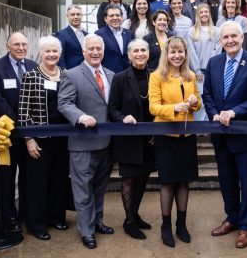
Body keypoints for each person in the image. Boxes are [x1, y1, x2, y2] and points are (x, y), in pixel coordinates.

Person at [202, 22, 247, 249]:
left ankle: (245, 226)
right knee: (226, 181)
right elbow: (208, 94)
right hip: (221, 135)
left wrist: (234, 112)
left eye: (234, 36)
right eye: (225, 37)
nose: (229, 40)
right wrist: (213, 114)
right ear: (220, 41)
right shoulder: (213, 63)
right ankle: (231, 218)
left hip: (245, 135)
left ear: (242, 38)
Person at [58, 34, 115, 249]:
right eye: (90, 49)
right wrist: (80, 117)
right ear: (83, 52)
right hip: (82, 144)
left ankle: (97, 221)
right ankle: (86, 231)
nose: (95, 52)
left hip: (107, 144)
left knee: (100, 189)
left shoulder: (111, 74)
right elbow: (64, 103)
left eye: (98, 49)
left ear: (103, 51)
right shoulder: (71, 75)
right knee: (82, 191)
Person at [149, 36, 201, 248]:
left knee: (184, 181)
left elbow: (198, 102)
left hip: (187, 136)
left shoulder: (190, 76)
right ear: (166, 54)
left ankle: (181, 224)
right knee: (168, 182)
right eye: (173, 52)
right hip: (166, 136)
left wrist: (195, 102)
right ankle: (165, 226)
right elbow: (153, 107)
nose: (177, 55)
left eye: (181, 52)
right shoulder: (157, 76)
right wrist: (173, 109)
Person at [17, 36, 70, 241]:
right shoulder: (31, 76)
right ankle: (36, 224)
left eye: (55, 51)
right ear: (40, 53)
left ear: (60, 53)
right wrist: (29, 139)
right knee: (37, 182)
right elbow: (23, 111)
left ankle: (56, 217)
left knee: (59, 179)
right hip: (40, 138)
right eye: (47, 51)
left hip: (63, 137)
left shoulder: (66, 75)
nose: (51, 55)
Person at [0, 32, 37, 234]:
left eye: (24, 44)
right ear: (8, 46)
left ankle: (25, 214)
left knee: (27, 175)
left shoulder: (33, 66)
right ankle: (8, 219)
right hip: (5, 133)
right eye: (16, 44)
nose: (21, 48)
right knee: (5, 178)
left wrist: (29, 127)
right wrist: (20, 123)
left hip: (29, 134)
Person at [108, 39, 155, 240]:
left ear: (148, 53)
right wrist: (122, 117)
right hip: (128, 138)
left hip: (150, 139)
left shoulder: (155, 75)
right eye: (135, 50)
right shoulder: (120, 78)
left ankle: (135, 215)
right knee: (129, 178)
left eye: (143, 50)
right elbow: (112, 108)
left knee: (143, 177)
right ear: (129, 55)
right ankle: (128, 221)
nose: (140, 53)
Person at [185, 3, 220, 121]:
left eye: (206, 12)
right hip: (198, 72)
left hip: (213, 70)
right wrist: (197, 69)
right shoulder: (191, 31)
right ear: (198, 15)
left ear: (209, 14)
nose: (204, 14)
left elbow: (218, 50)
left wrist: (212, 67)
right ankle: (200, 126)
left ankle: (210, 126)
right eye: (201, 12)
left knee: (212, 98)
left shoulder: (216, 31)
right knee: (200, 97)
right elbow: (191, 51)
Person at [95, 4, 134, 74]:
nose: (115, 18)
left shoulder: (129, 34)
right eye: (111, 16)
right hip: (109, 75)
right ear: (105, 19)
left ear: (122, 17)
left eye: (117, 15)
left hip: (128, 74)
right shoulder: (99, 34)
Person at [56, 5, 88, 69]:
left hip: (87, 73)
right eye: (72, 14)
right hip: (71, 74)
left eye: (78, 14)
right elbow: (60, 58)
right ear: (67, 16)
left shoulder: (87, 35)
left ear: (82, 16)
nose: (76, 17)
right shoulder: (61, 35)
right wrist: (64, 74)